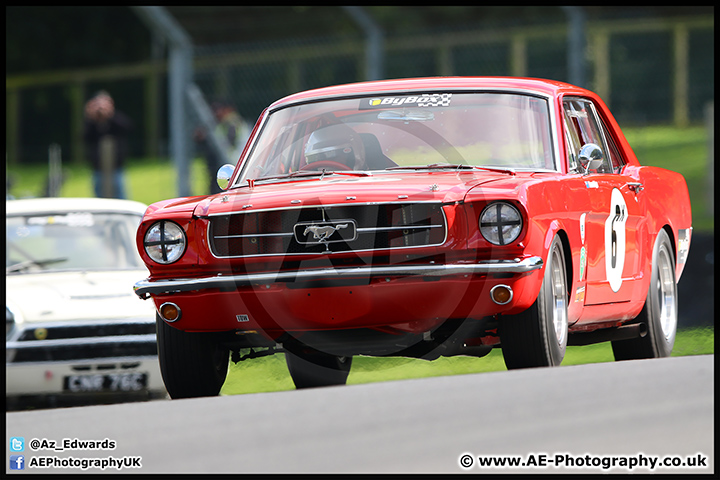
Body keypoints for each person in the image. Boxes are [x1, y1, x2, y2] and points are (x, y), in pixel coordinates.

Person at [194, 100, 251, 194]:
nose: (216, 113)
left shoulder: (232, 122)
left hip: (233, 163)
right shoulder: (226, 123)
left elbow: (228, 142)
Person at [83, 91, 133, 199]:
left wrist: (110, 114)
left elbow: (127, 127)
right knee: (100, 198)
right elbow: (84, 136)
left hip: (117, 167)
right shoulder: (92, 123)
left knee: (121, 197)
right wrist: (91, 116)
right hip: (98, 169)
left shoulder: (116, 119)